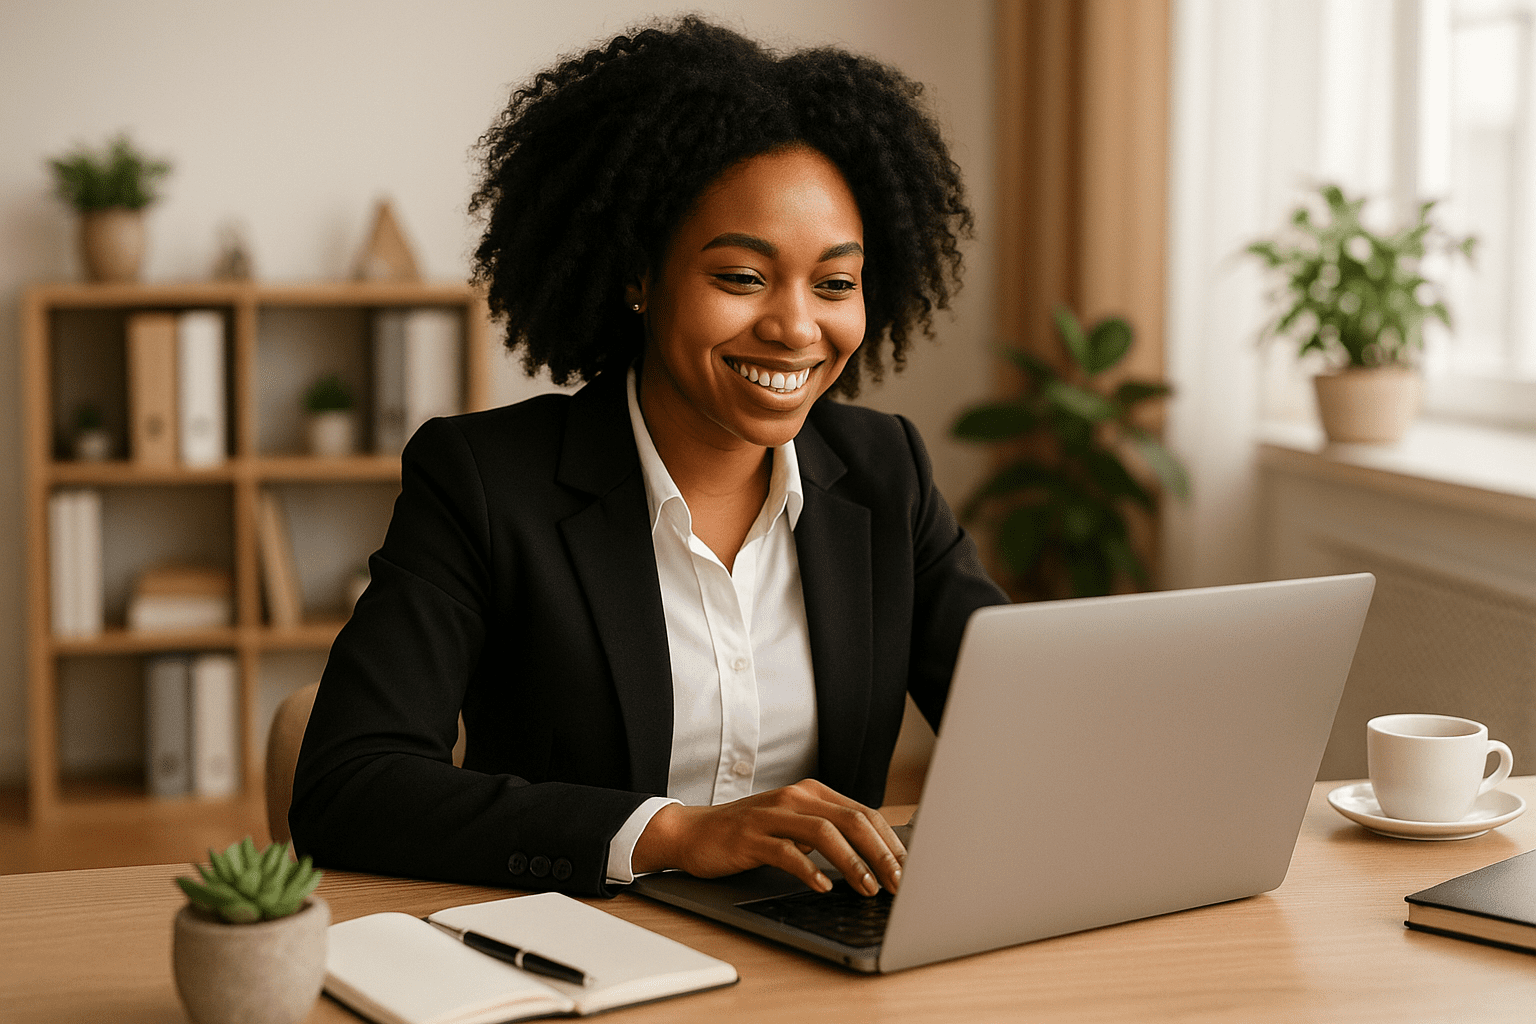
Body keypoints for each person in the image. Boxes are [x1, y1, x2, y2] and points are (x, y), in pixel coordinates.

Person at [290, 16, 1008, 901]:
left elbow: (1019, 723)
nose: (794, 327)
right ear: (639, 275)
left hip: (820, 960)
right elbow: (348, 785)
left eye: (834, 284)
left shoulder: (884, 472)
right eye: (742, 278)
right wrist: (672, 834)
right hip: (582, 949)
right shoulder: (483, 481)